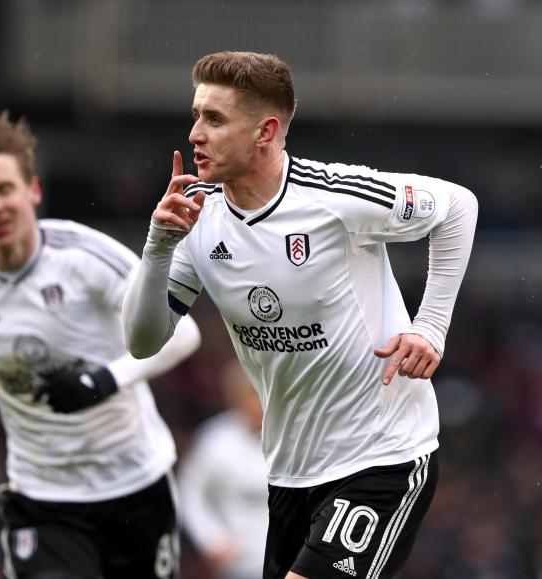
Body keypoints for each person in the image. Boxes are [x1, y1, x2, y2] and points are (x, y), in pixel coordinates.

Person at [122, 51, 478, 579]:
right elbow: (142, 340)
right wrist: (158, 246)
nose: (195, 133)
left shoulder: (335, 196)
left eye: (214, 119)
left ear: (266, 131)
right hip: (291, 471)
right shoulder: (197, 218)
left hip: (381, 455)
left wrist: (431, 326)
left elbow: (457, 207)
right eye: (196, 115)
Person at [0, 110, 200, 579]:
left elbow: (183, 334)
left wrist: (102, 380)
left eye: (4, 189)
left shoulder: (86, 257)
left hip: (135, 484)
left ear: (33, 191)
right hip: (42, 499)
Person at [178, 360, 269, 579]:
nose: (258, 404)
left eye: (262, 395)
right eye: (251, 395)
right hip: (239, 563)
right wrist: (210, 540)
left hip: (293, 562)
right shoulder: (215, 441)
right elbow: (190, 493)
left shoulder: (294, 439)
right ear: (235, 399)